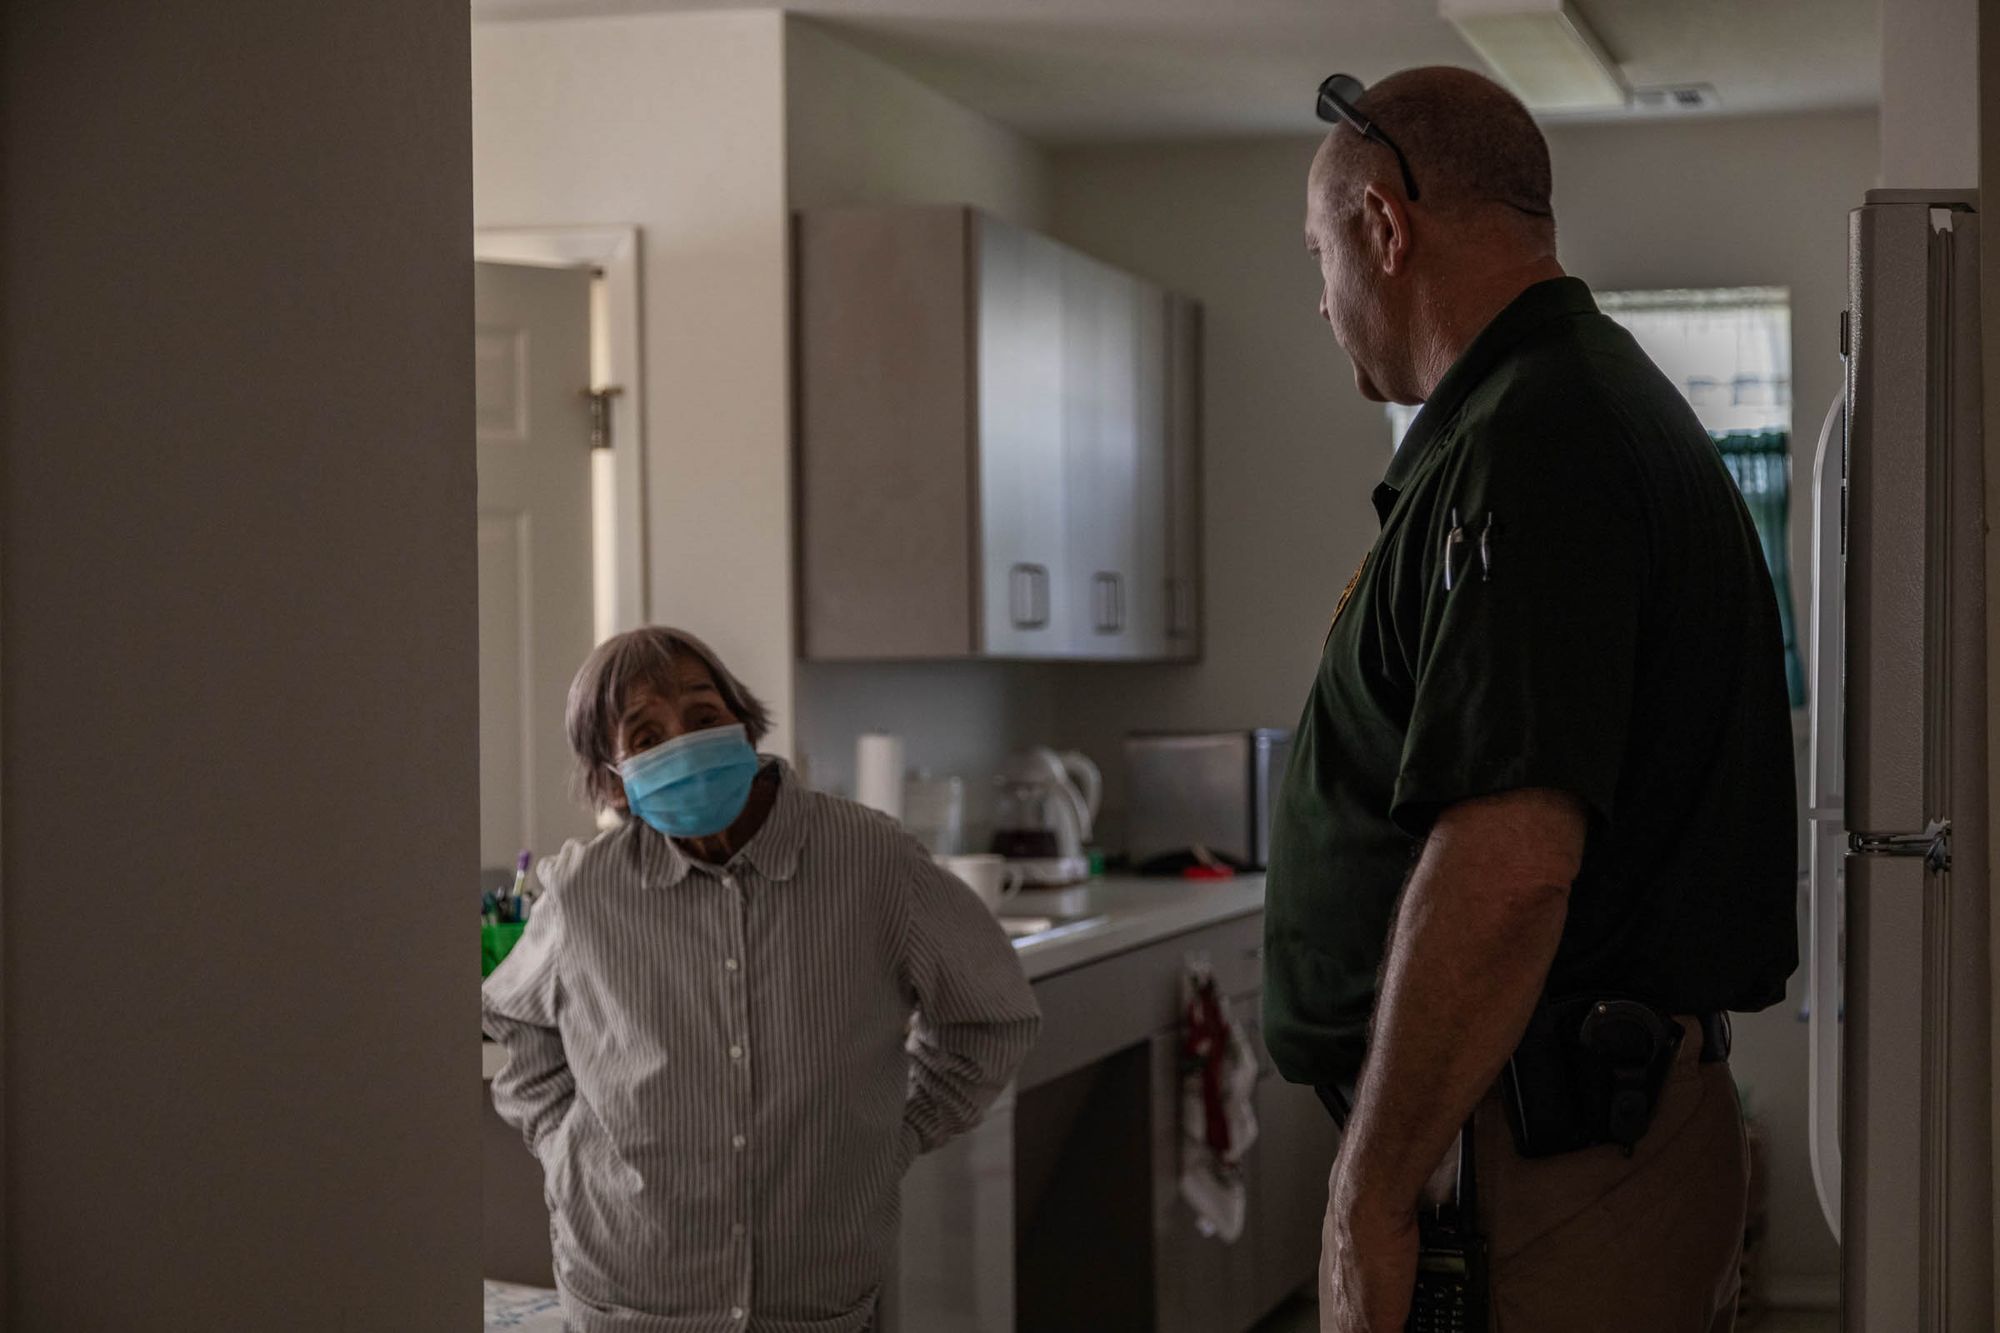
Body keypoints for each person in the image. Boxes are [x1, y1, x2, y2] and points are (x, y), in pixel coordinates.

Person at [1263, 66, 1798, 1332]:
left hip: (1538, 1169)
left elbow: (1504, 868)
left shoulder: (1535, 442)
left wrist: (1368, 1195)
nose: (1319, 298)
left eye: (1318, 252)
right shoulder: (1546, 412)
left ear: (1384, 229)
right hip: (1548, 1145)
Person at [483, 626, 1039, 1333]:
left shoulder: (872, 859)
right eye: (646, 734)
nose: (682, 741)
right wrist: (564, 1146)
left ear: (743, 722)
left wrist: (895, 1134)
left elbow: (990, 1016)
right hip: (627, 1300)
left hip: (821, 1304)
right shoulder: (582, 890)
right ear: (612, 774)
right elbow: (518, 1023)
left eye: (703, 714)